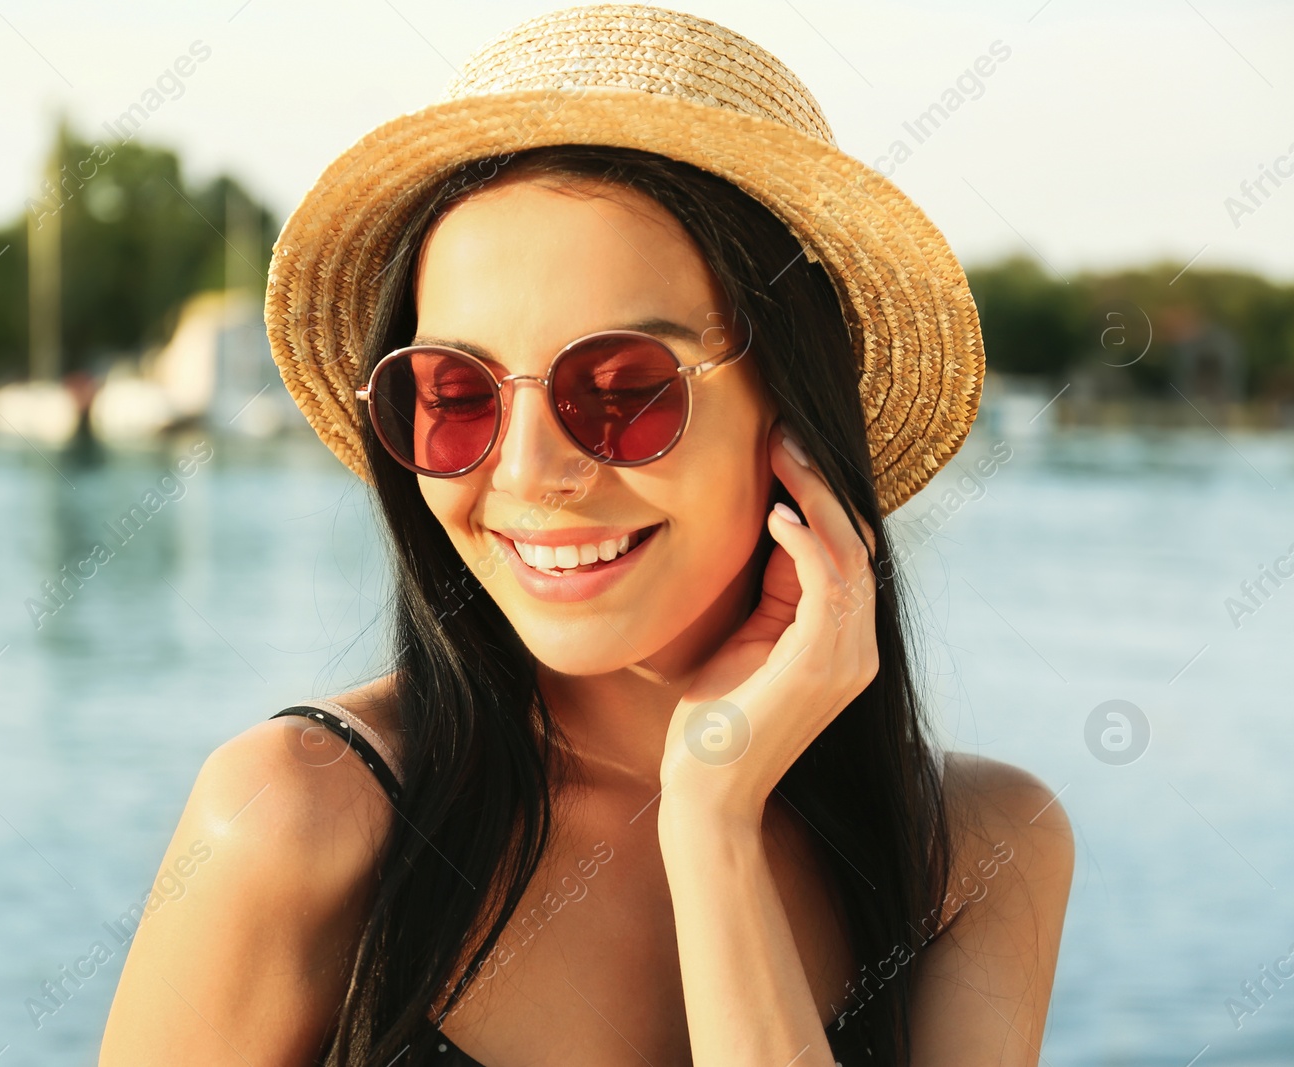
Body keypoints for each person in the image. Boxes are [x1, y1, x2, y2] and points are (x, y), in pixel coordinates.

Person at [99, 5, 1074, 1065]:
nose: (526, 472)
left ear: (792, 406)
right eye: (456, 393)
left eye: (619, 390)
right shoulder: (294, 818)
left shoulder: (976, 855)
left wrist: (713, 823)